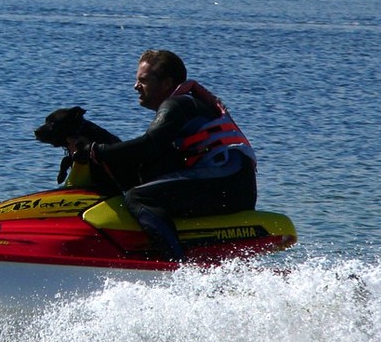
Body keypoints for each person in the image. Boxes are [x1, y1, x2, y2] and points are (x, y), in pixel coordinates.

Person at [73, 49, 257, 261]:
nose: (135, 86)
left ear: (167, 83)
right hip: (231, 185)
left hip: (229, 184)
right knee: (146, 179)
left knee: (139, 197)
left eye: (143, 80)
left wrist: (96, 151)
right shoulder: (186, 107)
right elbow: (147, 155)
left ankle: (176, 266)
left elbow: (148, 145)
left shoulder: (178, 104)